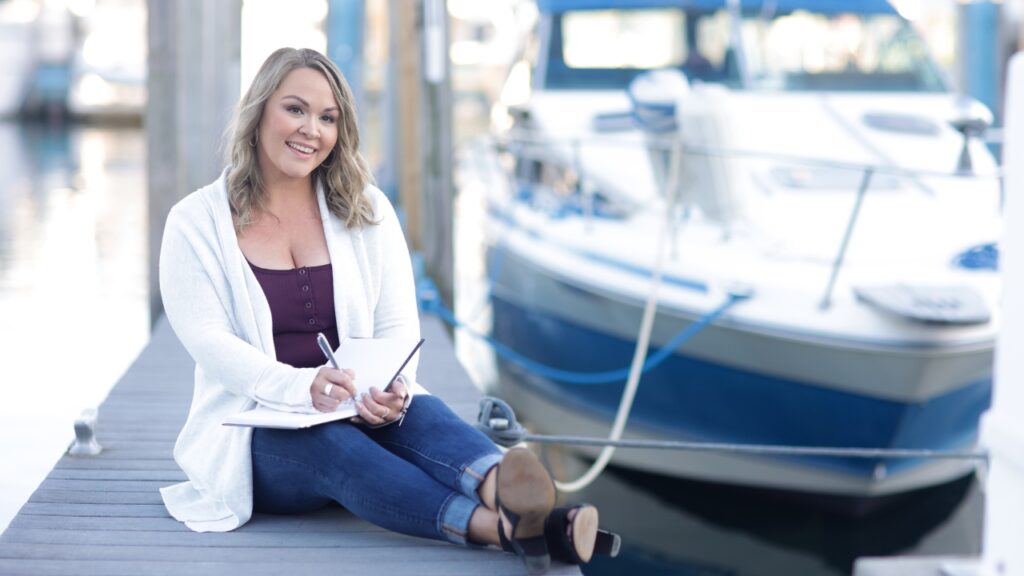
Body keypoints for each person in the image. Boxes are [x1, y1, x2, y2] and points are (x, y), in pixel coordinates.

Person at [157, 47, 619, 574]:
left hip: (356, 403)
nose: (311, 129)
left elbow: (397, 324)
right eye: (295, 109)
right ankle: (503, 529)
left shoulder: (366, 207)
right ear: (259, 110)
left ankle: (506, 486)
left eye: (328, 118)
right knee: (328, 441)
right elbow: (209, 342)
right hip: (253, 435)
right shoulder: (196, 222)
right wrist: (300, 388)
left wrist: (395, 387)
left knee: (424, 411)